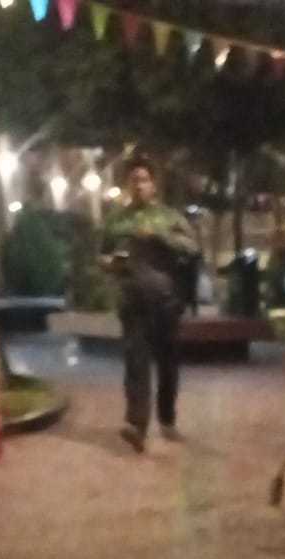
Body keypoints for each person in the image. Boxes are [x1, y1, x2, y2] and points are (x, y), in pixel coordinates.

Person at [100, 157, 199, 453]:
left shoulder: (169, 217)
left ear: (154, 185)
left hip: (166, 300)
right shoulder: (116, 221)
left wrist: (160, 236)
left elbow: (192, 247)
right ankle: (137, 426)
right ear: (127, 184)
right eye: (134, 180)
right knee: (135, 363)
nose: (139, 185)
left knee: (168, 363)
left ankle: (167, 419)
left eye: (144, 179)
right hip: (132, 300)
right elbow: (102, 254)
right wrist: (110, 263)